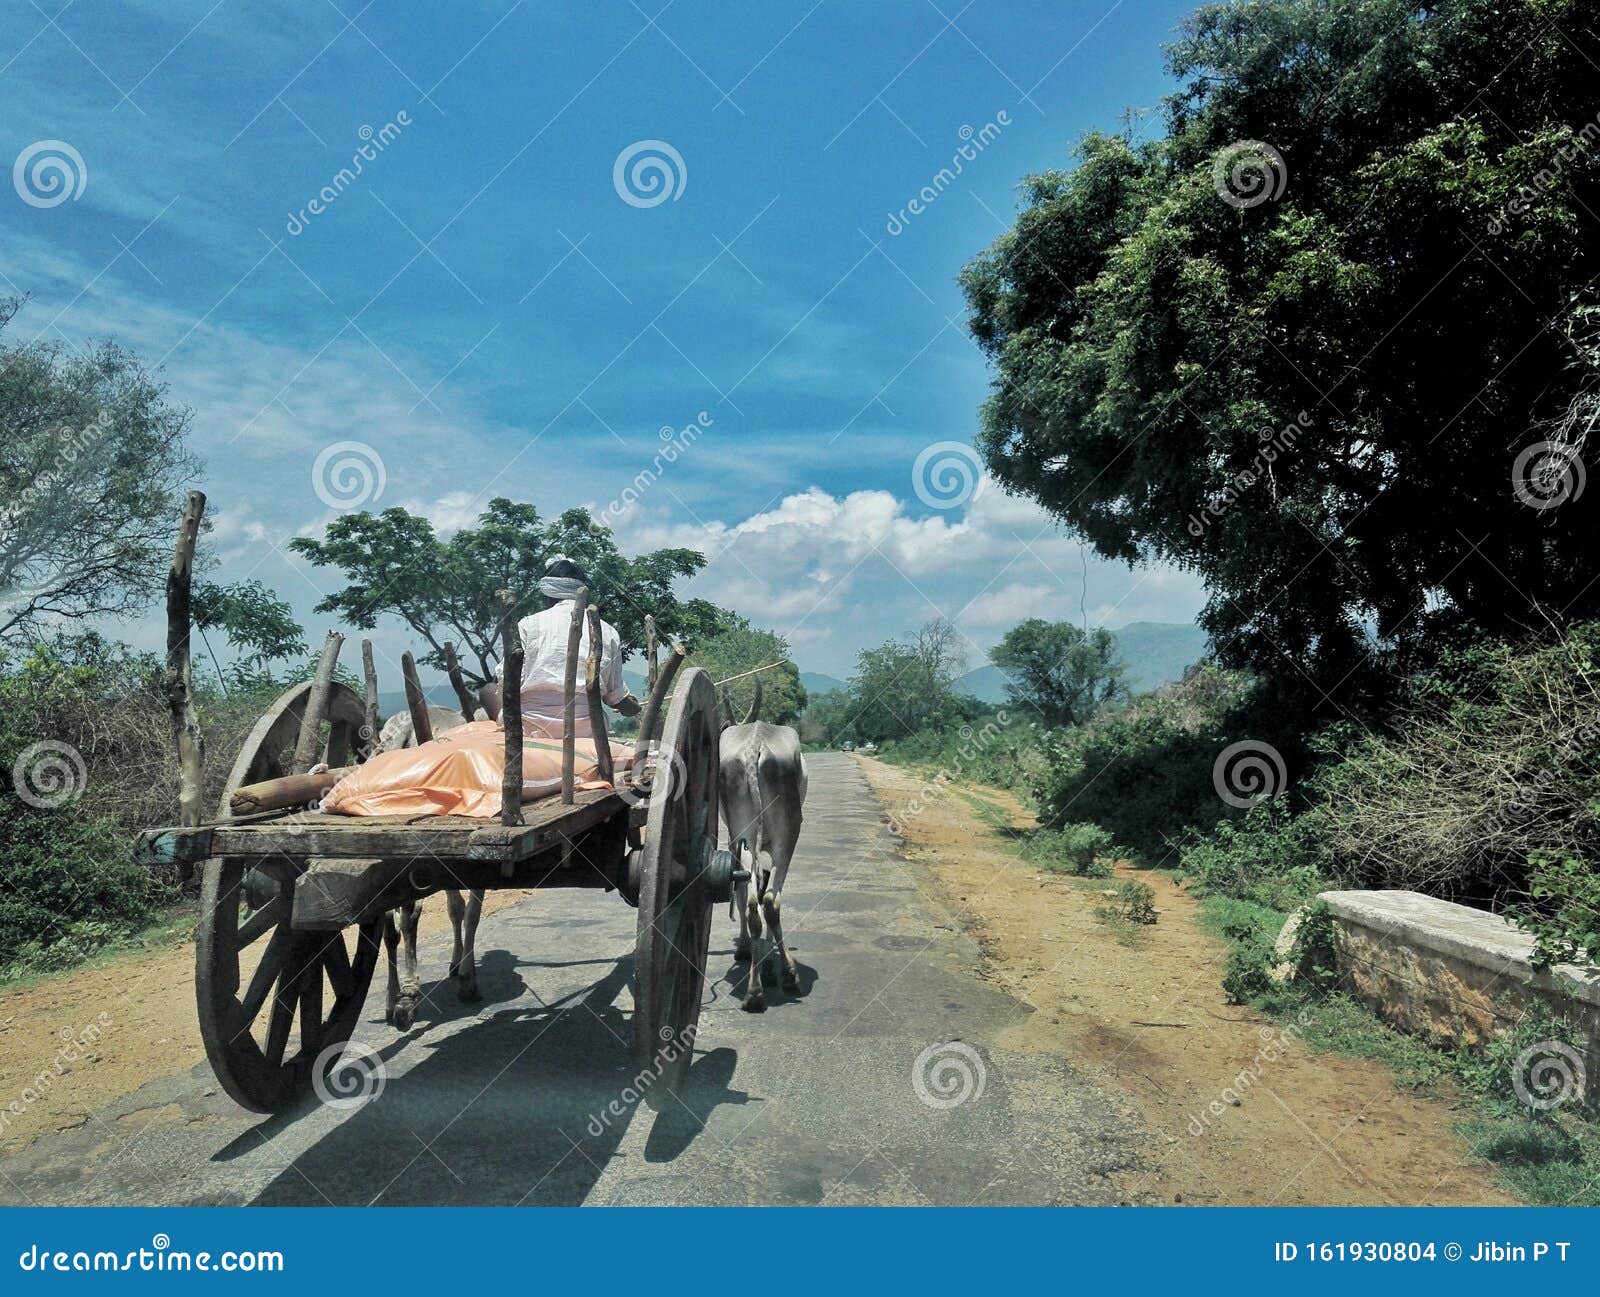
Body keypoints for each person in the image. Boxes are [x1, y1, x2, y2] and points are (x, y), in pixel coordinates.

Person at [505, 556, 642, 738]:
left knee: (487, 692)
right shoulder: (607, 631)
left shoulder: (527, 625)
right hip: (588, 732)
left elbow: (507, 684)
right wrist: (629, 705)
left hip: (530, 727)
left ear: (547, 595)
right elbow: (616, 696)